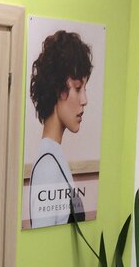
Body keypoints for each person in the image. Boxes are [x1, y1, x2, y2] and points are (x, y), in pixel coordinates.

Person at [28, 30, 92, 228]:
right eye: (78, 88)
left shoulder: (54, 156)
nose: (85, 100)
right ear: (58, 89)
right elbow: (43, 240)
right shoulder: (47, 166)